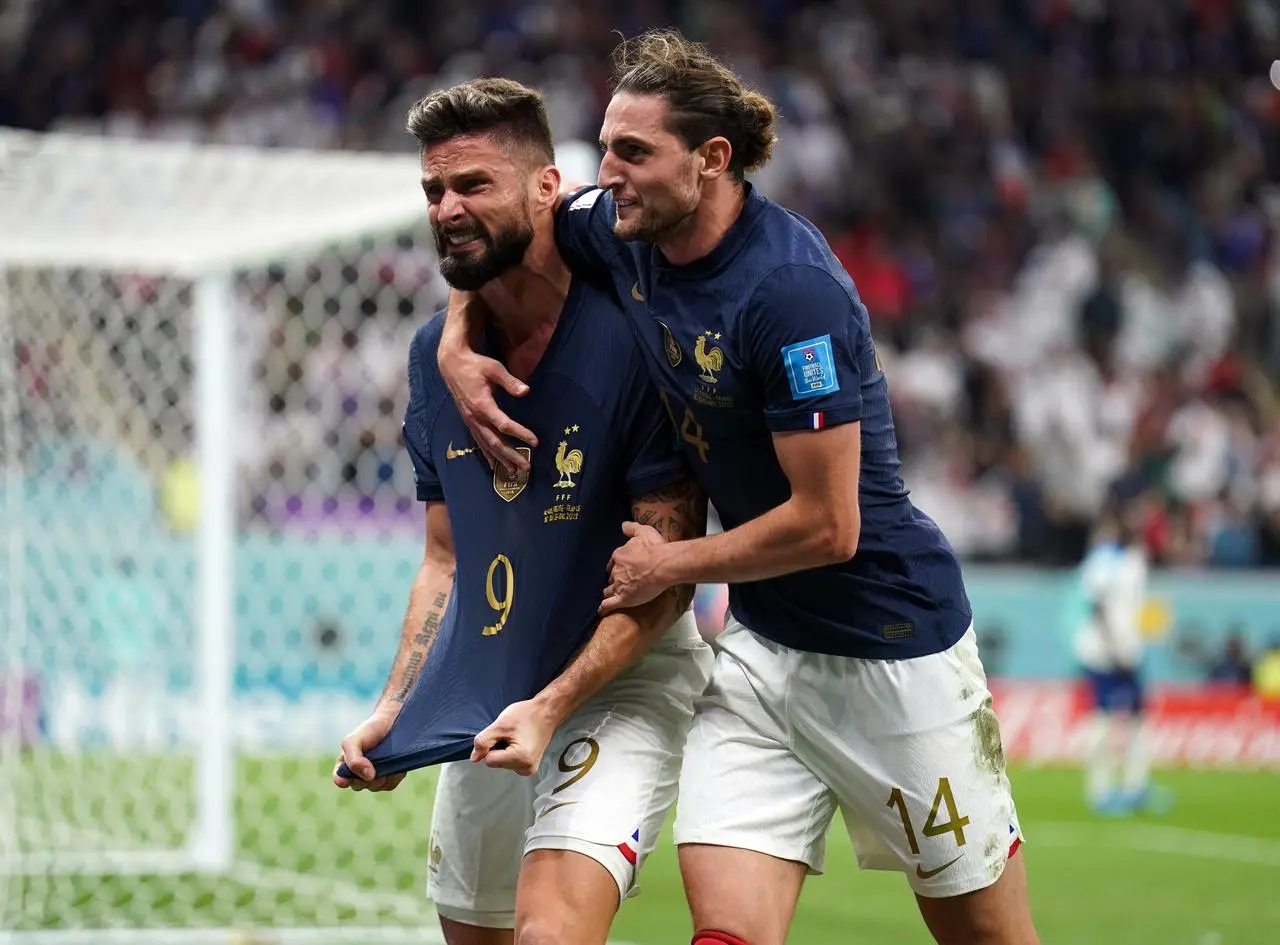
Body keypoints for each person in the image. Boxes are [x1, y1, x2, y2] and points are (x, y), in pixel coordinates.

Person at [436, 31, 1039, 945]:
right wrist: (454, 342)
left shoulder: (790, 294)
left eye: (632, 152)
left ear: (712, 159)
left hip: (892, 649)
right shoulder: (628, 230)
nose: (608, 173)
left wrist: (671, 561)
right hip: (762, 659)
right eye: (605, 146)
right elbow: (508, 235)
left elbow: (830, 526)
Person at [332, 77, 713, 945]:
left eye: (474, 185)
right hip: (493, 680)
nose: (447, 208)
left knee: (549, 932)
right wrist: (400, 704)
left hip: (624, 676)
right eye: (434, 190)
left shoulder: (634, 338)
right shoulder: (435, 356)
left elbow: (664, 574)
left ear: (548, 189)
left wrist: (553, 703)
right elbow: (445, 557)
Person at [1072, 502, 1167, 815]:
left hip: (1129, 651)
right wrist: (1115, 648)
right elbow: (1097, 607)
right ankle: (1099, 790)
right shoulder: (1104, 559)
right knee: (1102, 716)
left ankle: (1135, 786)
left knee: (1140, 715)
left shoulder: (1135, 558)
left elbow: (1136, 607)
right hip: (1103, 653)